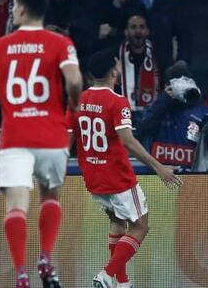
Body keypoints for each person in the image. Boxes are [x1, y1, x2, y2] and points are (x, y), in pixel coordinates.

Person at [0, 0, 83, 288]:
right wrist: (74, 103)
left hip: (14, 139)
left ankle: (21, 272)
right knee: (51, 196)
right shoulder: (60, 43)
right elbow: (74, 80)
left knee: (17, 206)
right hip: (52, 137)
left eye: (13, 7)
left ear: (20, 9)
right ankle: (45, 257)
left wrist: (7, 89)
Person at [73, 49, 183, 288]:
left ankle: (122, 282)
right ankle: (107, 274)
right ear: (114, 70)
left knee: (117, 223)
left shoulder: (79, 99)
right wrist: (159, 167)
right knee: (140, 227)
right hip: (117, 176)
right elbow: (127, 140)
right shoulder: (117, 101)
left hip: (93, 176)